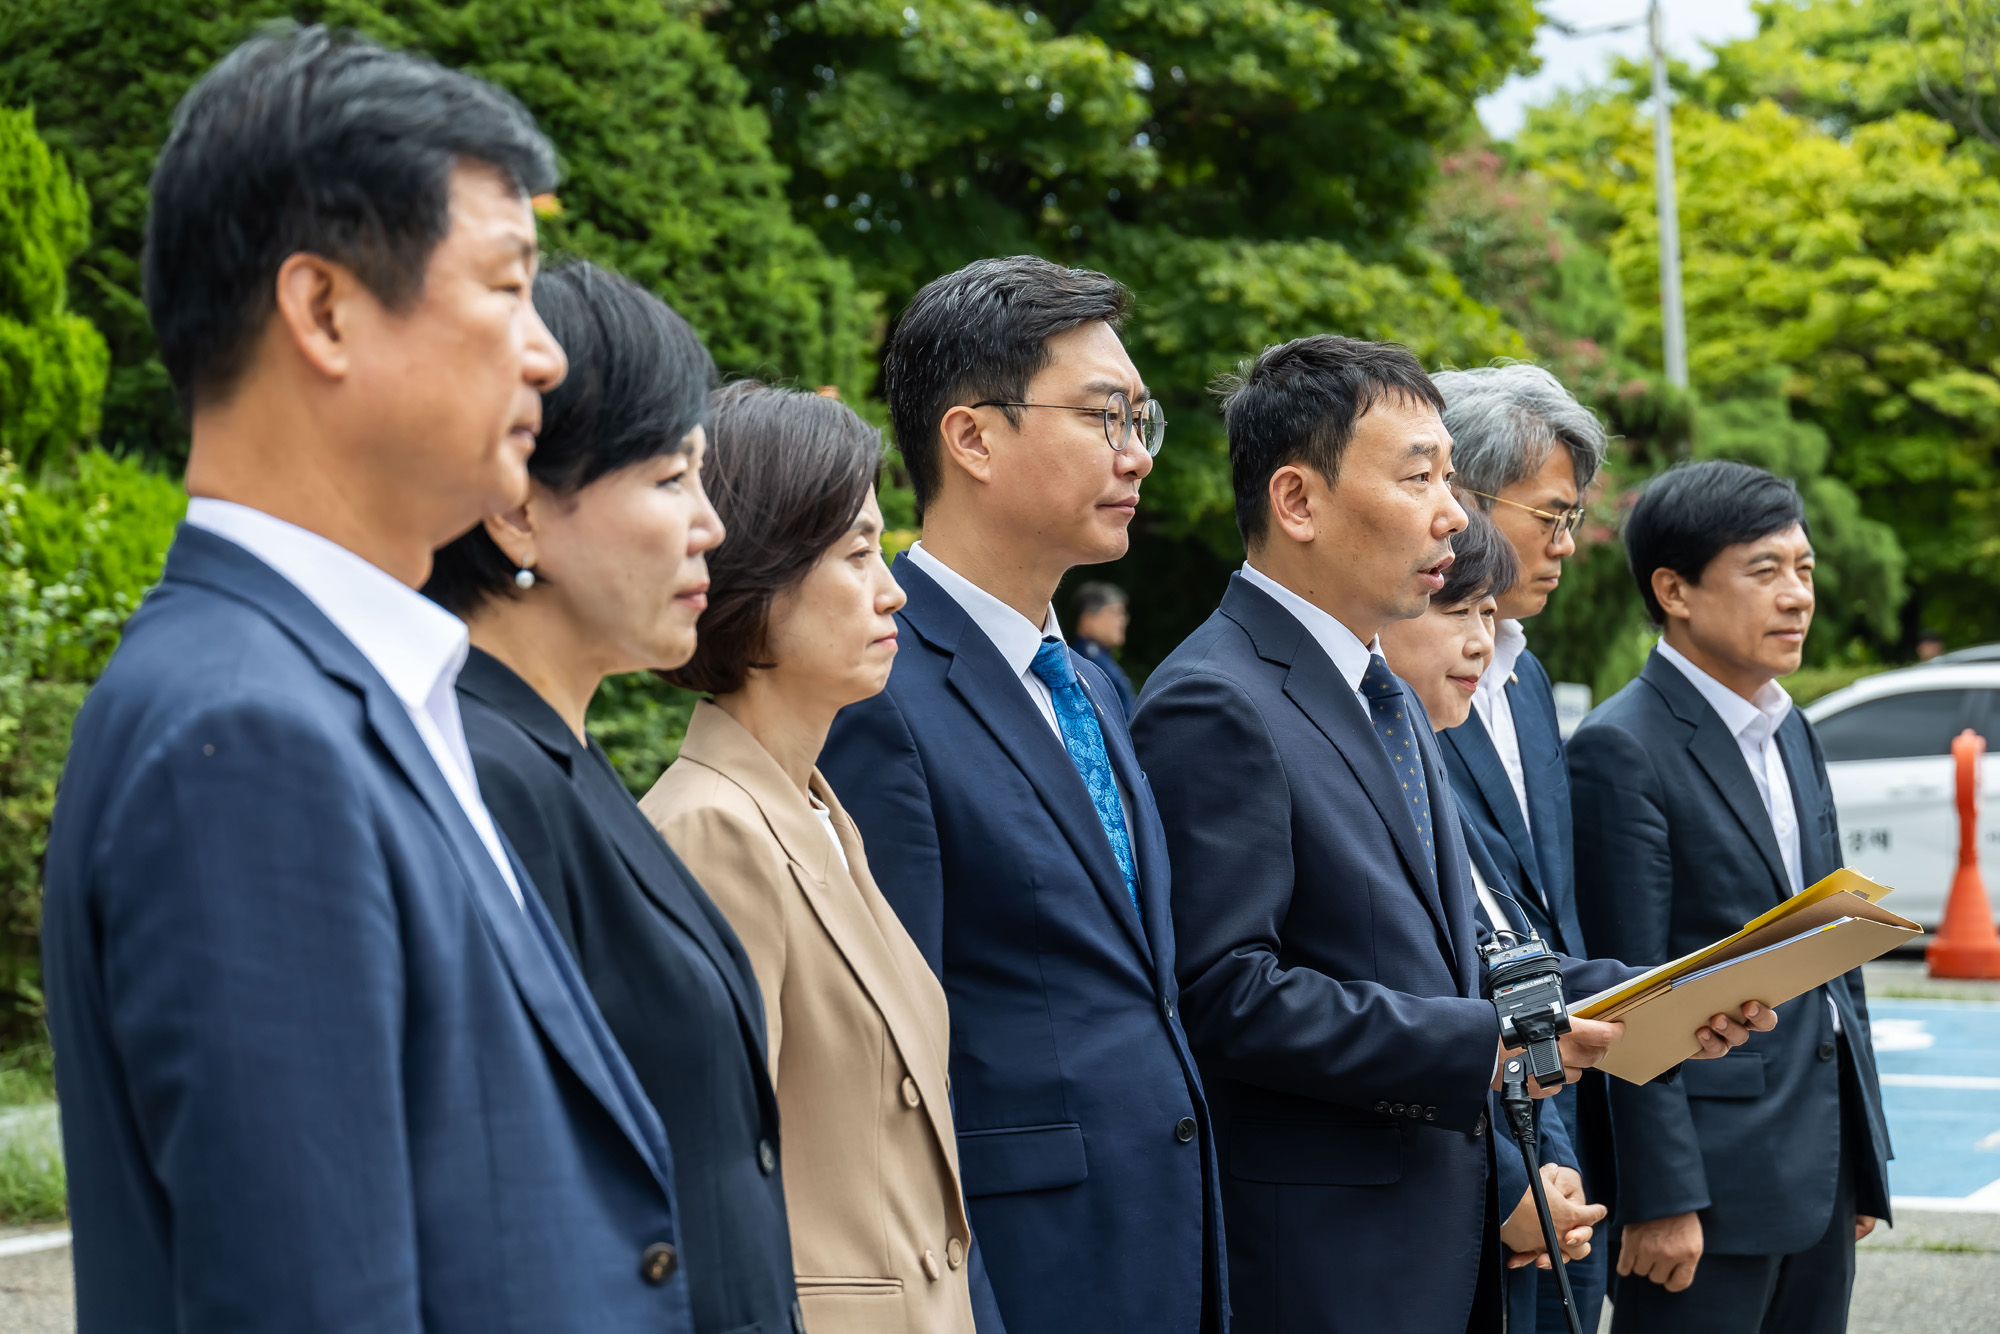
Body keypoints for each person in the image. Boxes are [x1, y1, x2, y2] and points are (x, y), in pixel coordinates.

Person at [42, 28, 697, 1331]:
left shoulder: (346, 686)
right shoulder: (246, 736)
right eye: (507, 287)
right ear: (325, 309)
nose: (545, 354)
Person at [1130, 334, 1773, 1334]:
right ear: (1296, 501)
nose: (1451, 510)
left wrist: (1646, 997)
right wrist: (1487, 1041)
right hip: (1326, 1264)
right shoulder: (1217, 700)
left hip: (1430, 1239)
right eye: (1419, 475)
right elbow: (1223, 996)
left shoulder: (1373, 685)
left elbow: (1454, 955)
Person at [816, 257, 1224, 1333]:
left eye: (1141, 418)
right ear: (972, 437)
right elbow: (889, 1070)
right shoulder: (875, 691)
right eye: (1102, 415)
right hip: (1024, 1274)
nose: (1136, 453)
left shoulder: (1089, 680)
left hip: (1168, 1245)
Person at [422, 263, 802, 1334]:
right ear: (516, 512)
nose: (711, 526)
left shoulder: (559, 752)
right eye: (671, 478)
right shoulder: (484, 776)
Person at [644, 381, 998, 1334]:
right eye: (856, 554)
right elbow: (711, 1186)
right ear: (755, 579)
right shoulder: (711, 830)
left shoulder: (823, 816)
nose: (892, 589)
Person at [1568, 461, 1893, 1334]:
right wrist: (1661, 1198)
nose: (1797, 596)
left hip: (1819, 1165)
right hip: (1709, 1187)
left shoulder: (1792, 730)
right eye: (1765, 571)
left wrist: (1862, 1160)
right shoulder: (1621, 748)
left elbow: (1835, 958)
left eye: (1806, 570)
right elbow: (1631, 988)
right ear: (1673, 589)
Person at [1379, 507, 1607, 1333]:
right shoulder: (1373, 760)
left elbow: (1513, 962)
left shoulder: (1425, 763)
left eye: (1490, 614)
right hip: (1412, 1222)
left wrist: (1548, 1164)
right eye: (1459, 610)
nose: (1484, 642)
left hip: (1527, 1178)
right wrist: (1508, 1184)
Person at [1431, 362, 1615, 1331]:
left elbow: (1538, 916)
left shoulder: (1527, 677)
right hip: (1467, 1146)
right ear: (1457, 494)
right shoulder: (1400, 685)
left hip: (1560, 1130)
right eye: (1548, 515)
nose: (1567, 544)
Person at [1070, 581, 1137, 717]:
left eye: (1123, 614)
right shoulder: (1087, 661)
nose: (1122, 620)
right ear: (1088, 619)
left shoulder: (1099, 657)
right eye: (1114, 612)